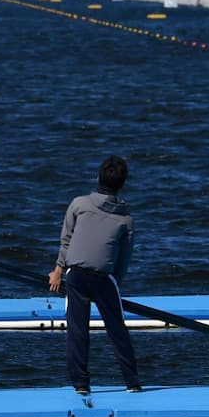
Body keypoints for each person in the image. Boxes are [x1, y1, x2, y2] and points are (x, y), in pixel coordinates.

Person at [47, 155, 142, 394]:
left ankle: (81, 385)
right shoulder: (126, 219)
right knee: (117, 330)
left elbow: (65, 240)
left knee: (77, 330)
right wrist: (114, 288)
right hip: (104, 279)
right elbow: (123, 260)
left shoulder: (78, 204)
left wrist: (58, 271)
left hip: (75, 276)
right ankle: (132, 383)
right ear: (123, 184)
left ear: (98, 178)